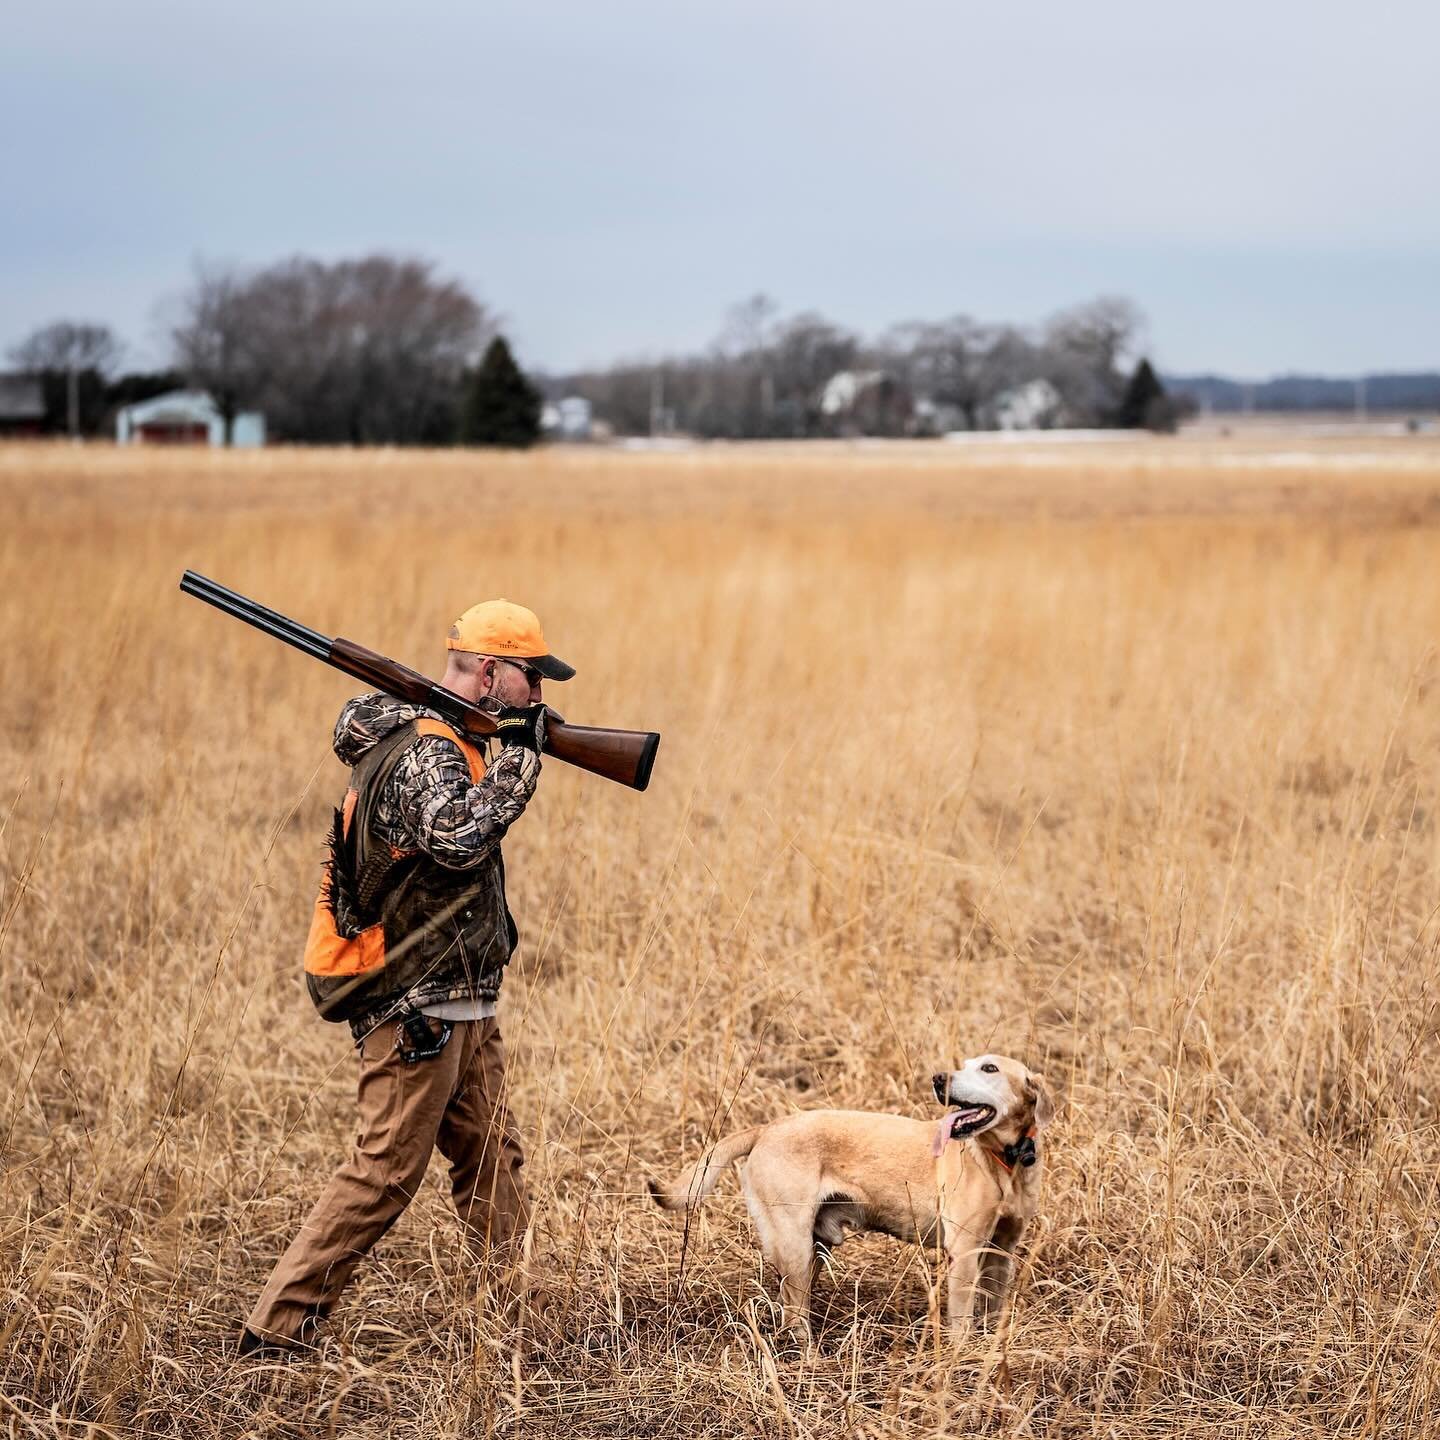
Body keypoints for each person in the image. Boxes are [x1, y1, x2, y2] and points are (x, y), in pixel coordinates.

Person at [239, 598, 573, 1354]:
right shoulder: (427, 751)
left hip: (462, 996)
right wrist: (523, 756)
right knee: (385, 1173)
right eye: (532, 678)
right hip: (417, 1002)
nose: (541, 696)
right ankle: (276, 1329)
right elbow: (459, 838)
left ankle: (515, 1320)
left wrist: (513, 745)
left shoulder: (448, 733)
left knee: (492, 1159)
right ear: (491, 673)